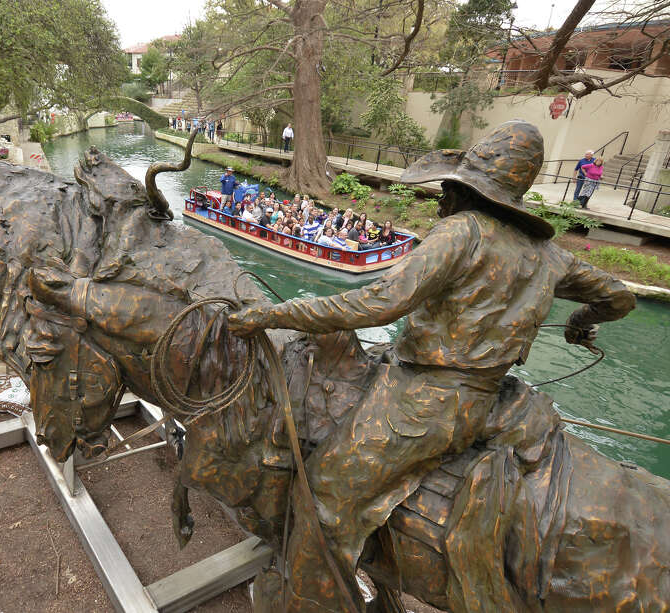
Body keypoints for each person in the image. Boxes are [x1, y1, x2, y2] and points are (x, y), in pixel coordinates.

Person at [227, 120, 636, 610]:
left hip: (426, 402)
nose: (441, 201)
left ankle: (307, 602)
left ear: (468, 193)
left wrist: (275, 314)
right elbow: (619, 297)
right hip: (481, 394)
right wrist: (580, 323)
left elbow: (378, 303)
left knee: (324, 495)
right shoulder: (551, 257)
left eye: (448, 190)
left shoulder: (462, 232)